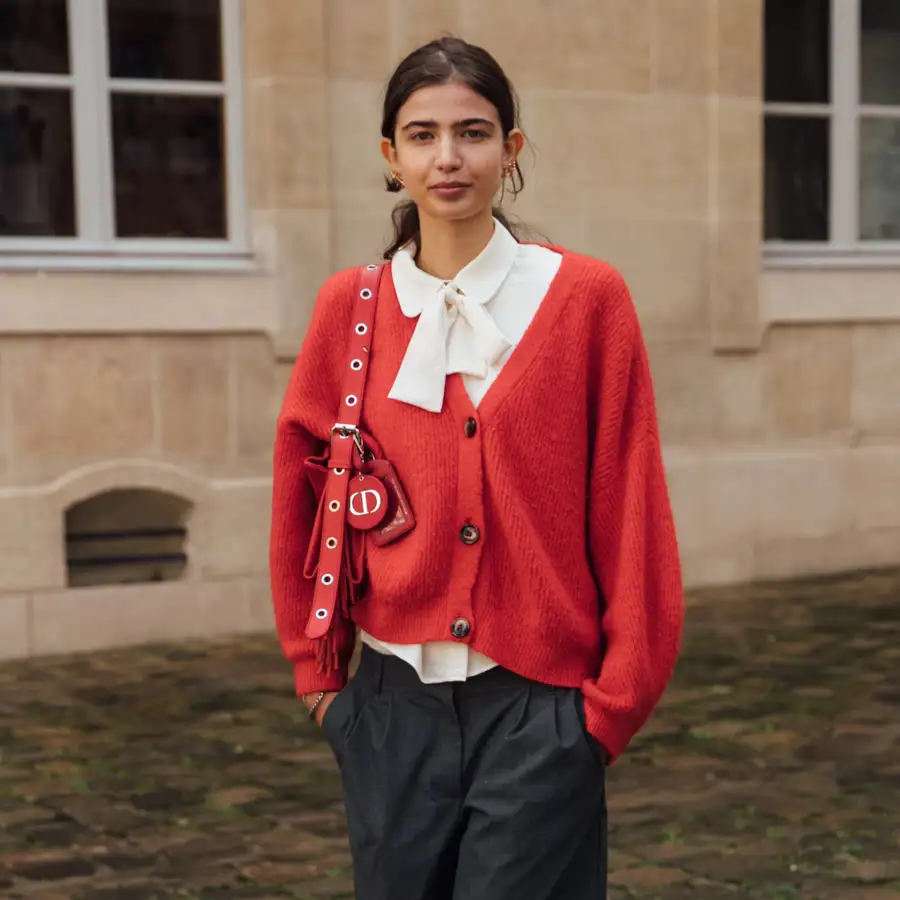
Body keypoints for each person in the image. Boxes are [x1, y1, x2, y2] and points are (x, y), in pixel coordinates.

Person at [270, 35, 684, 900]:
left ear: (512, 151)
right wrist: (323, 686)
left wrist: (604, 717)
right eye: (421, 135)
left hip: (541, 711)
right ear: (391, 156)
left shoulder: (586, 301)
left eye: (474, 132)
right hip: (387, 710)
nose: (448, 157)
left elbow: (631, 507)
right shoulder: (348, 309)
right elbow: (298, 503)